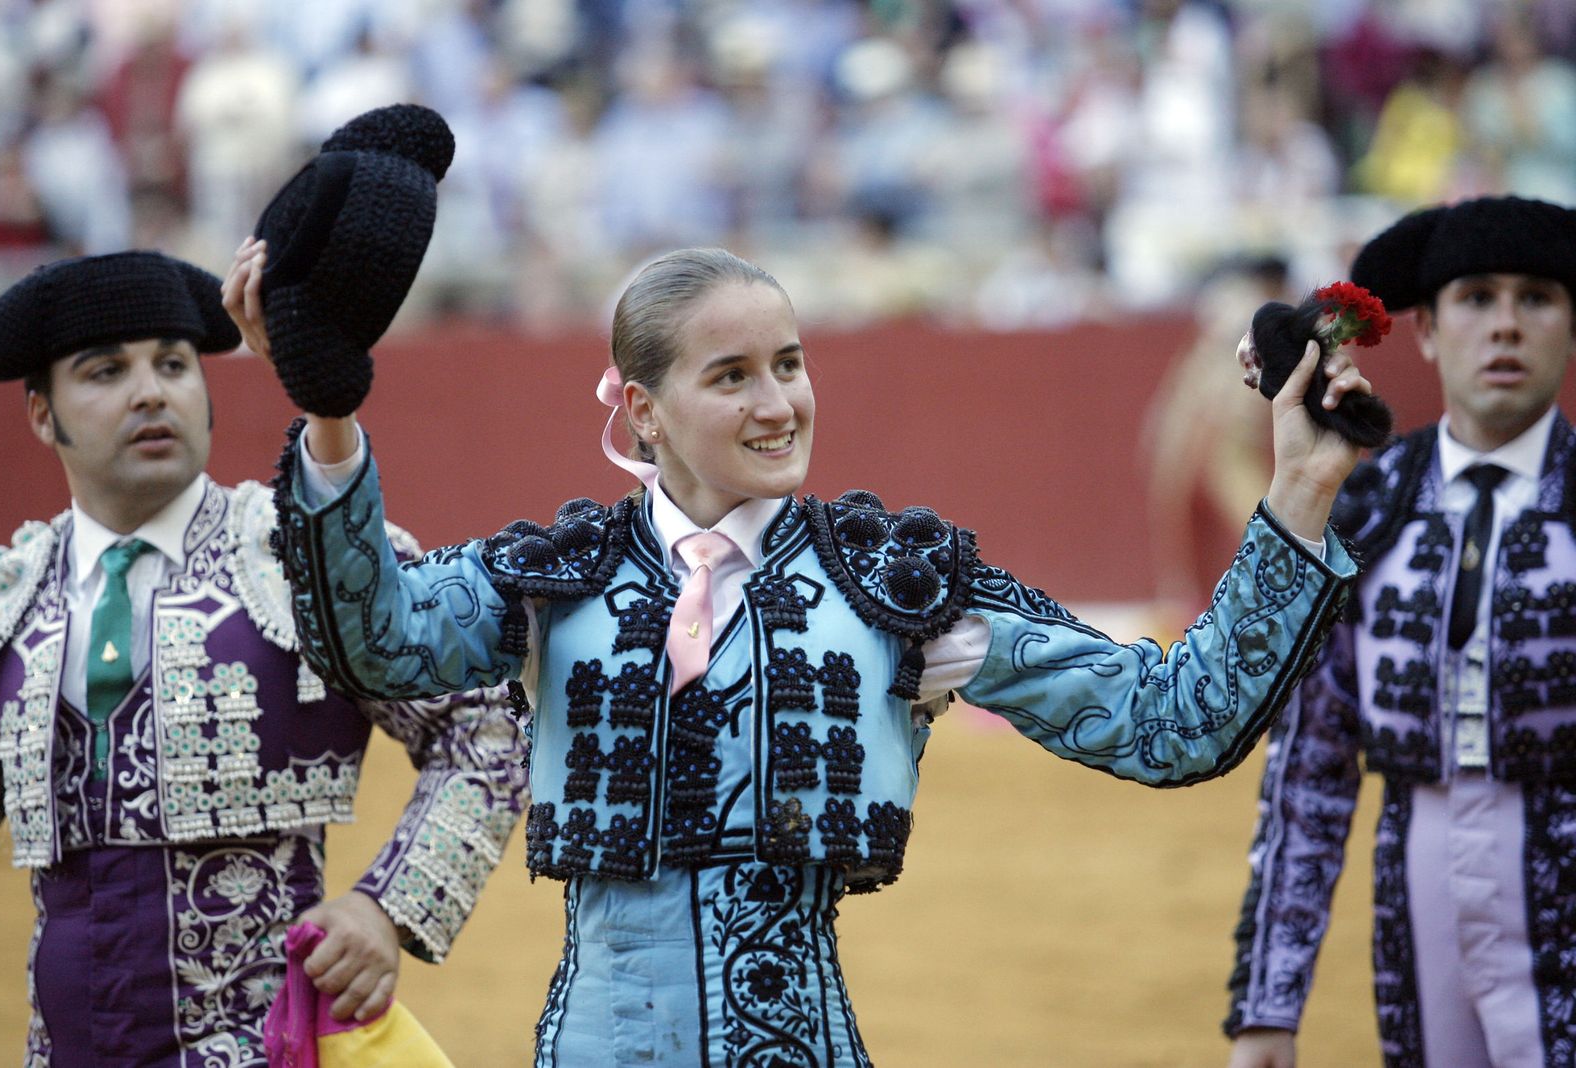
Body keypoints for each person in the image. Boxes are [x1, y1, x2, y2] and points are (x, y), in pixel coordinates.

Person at [226, 237, 1368, 1064]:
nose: (777, 404)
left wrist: (1301, 492)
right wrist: (330, 420)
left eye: (788, 363)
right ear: (644, 411)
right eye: (731, 376)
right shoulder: (554, 580)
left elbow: (1174, 723)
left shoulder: (895, 587)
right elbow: (376, 643)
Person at [0, 249, 530, 1066]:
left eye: (173, 365)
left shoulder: (299, 559)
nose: (151, 392)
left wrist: (386, 906)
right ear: (40, 414)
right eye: (106, 372)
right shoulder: (1, 602)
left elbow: (488, 727)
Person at [1224, 195, 1576, 1067]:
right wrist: (1268, 1003)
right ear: (1426, 330)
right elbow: (1310, 763)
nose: (1505, 325)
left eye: (1536, 299)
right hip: (1419, 882)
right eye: (1476, 297)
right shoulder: (1370, 507)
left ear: (1571, 329)